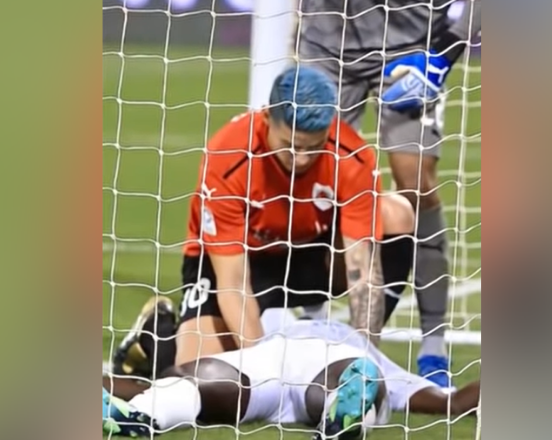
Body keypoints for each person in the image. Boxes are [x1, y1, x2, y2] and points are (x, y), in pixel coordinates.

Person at [113, 65, 417, 371]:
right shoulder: (228, 158)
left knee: (396, 213)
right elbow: (233, 282)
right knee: (203, 372)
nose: (301, 159)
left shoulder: (352, 157)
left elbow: (362, 272)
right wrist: (264, 373)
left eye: (313, 148)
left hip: (308, 254)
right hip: (237, 263)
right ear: (267, 118)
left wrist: (362, 363)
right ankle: (156, 336)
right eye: (291, 146)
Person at [295, 0, 482, 388]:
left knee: (414, 180)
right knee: (313, 174)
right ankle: (310, 317)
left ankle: (433, 343)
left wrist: (447, 51)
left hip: (411, 47)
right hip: (328, 44)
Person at [102, 296, 480, 438]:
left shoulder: (277, 319)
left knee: (193, 382)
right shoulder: (363, 348)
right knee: (355, 382)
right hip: (339, 361)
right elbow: (455, 402)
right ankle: (345, 412)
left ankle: (145, 415)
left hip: (269, 358)